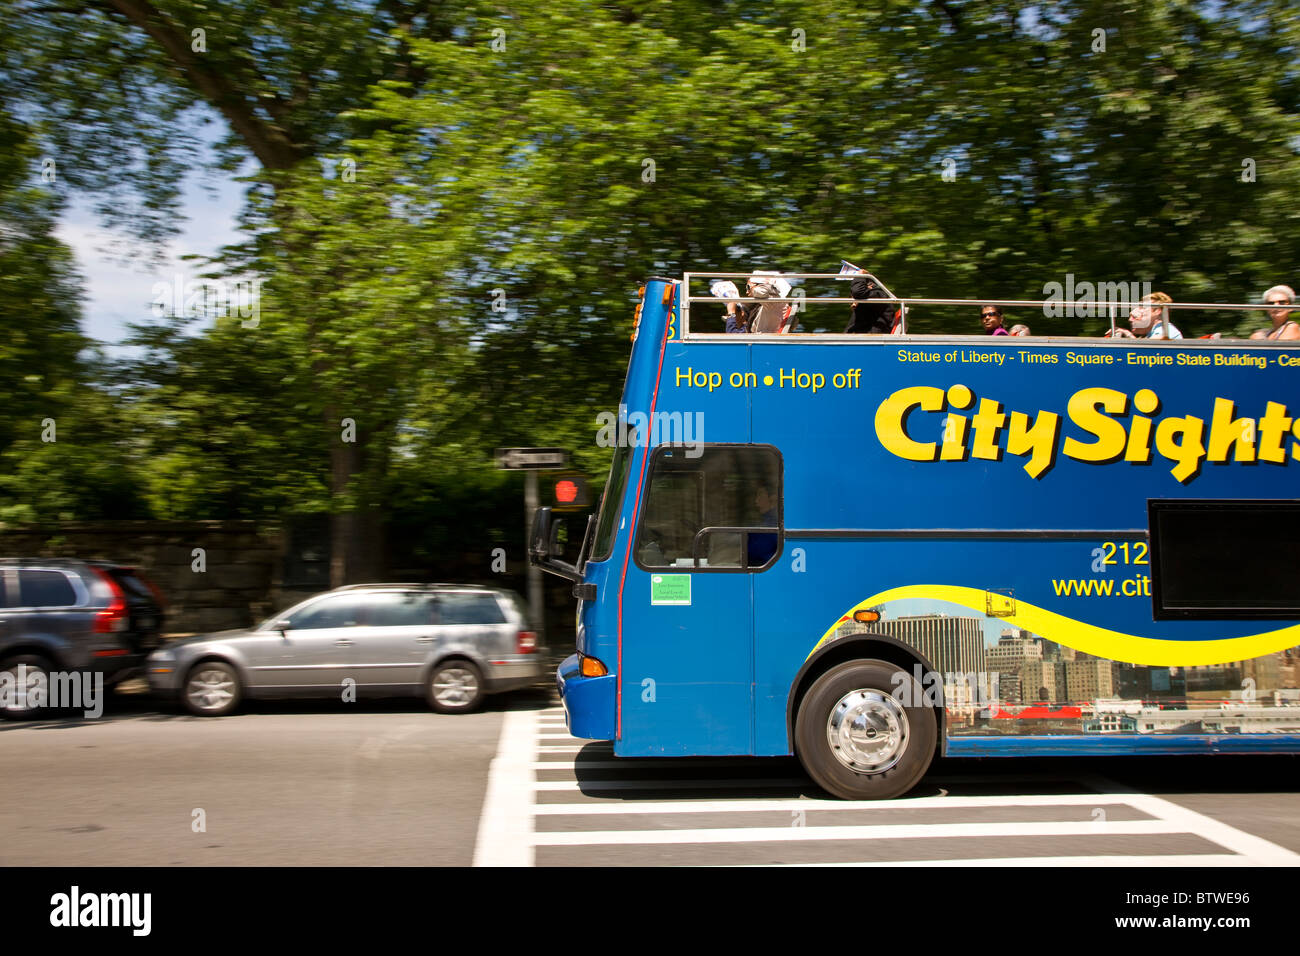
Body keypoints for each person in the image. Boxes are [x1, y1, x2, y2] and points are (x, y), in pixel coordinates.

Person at [1108, 291, 1182, 339]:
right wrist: (1127, 333)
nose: (1137, 311)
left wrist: (1127, 334)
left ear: (1157, 311)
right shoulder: (1153, 332)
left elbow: (1145, 349)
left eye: (1142, 307)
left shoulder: (1165, 330)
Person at [746, 482, 779, 567]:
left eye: (760, 496)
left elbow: (758, 549)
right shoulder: (764, 519)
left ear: (772, 499)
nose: (756, 501)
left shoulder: (772, 522)